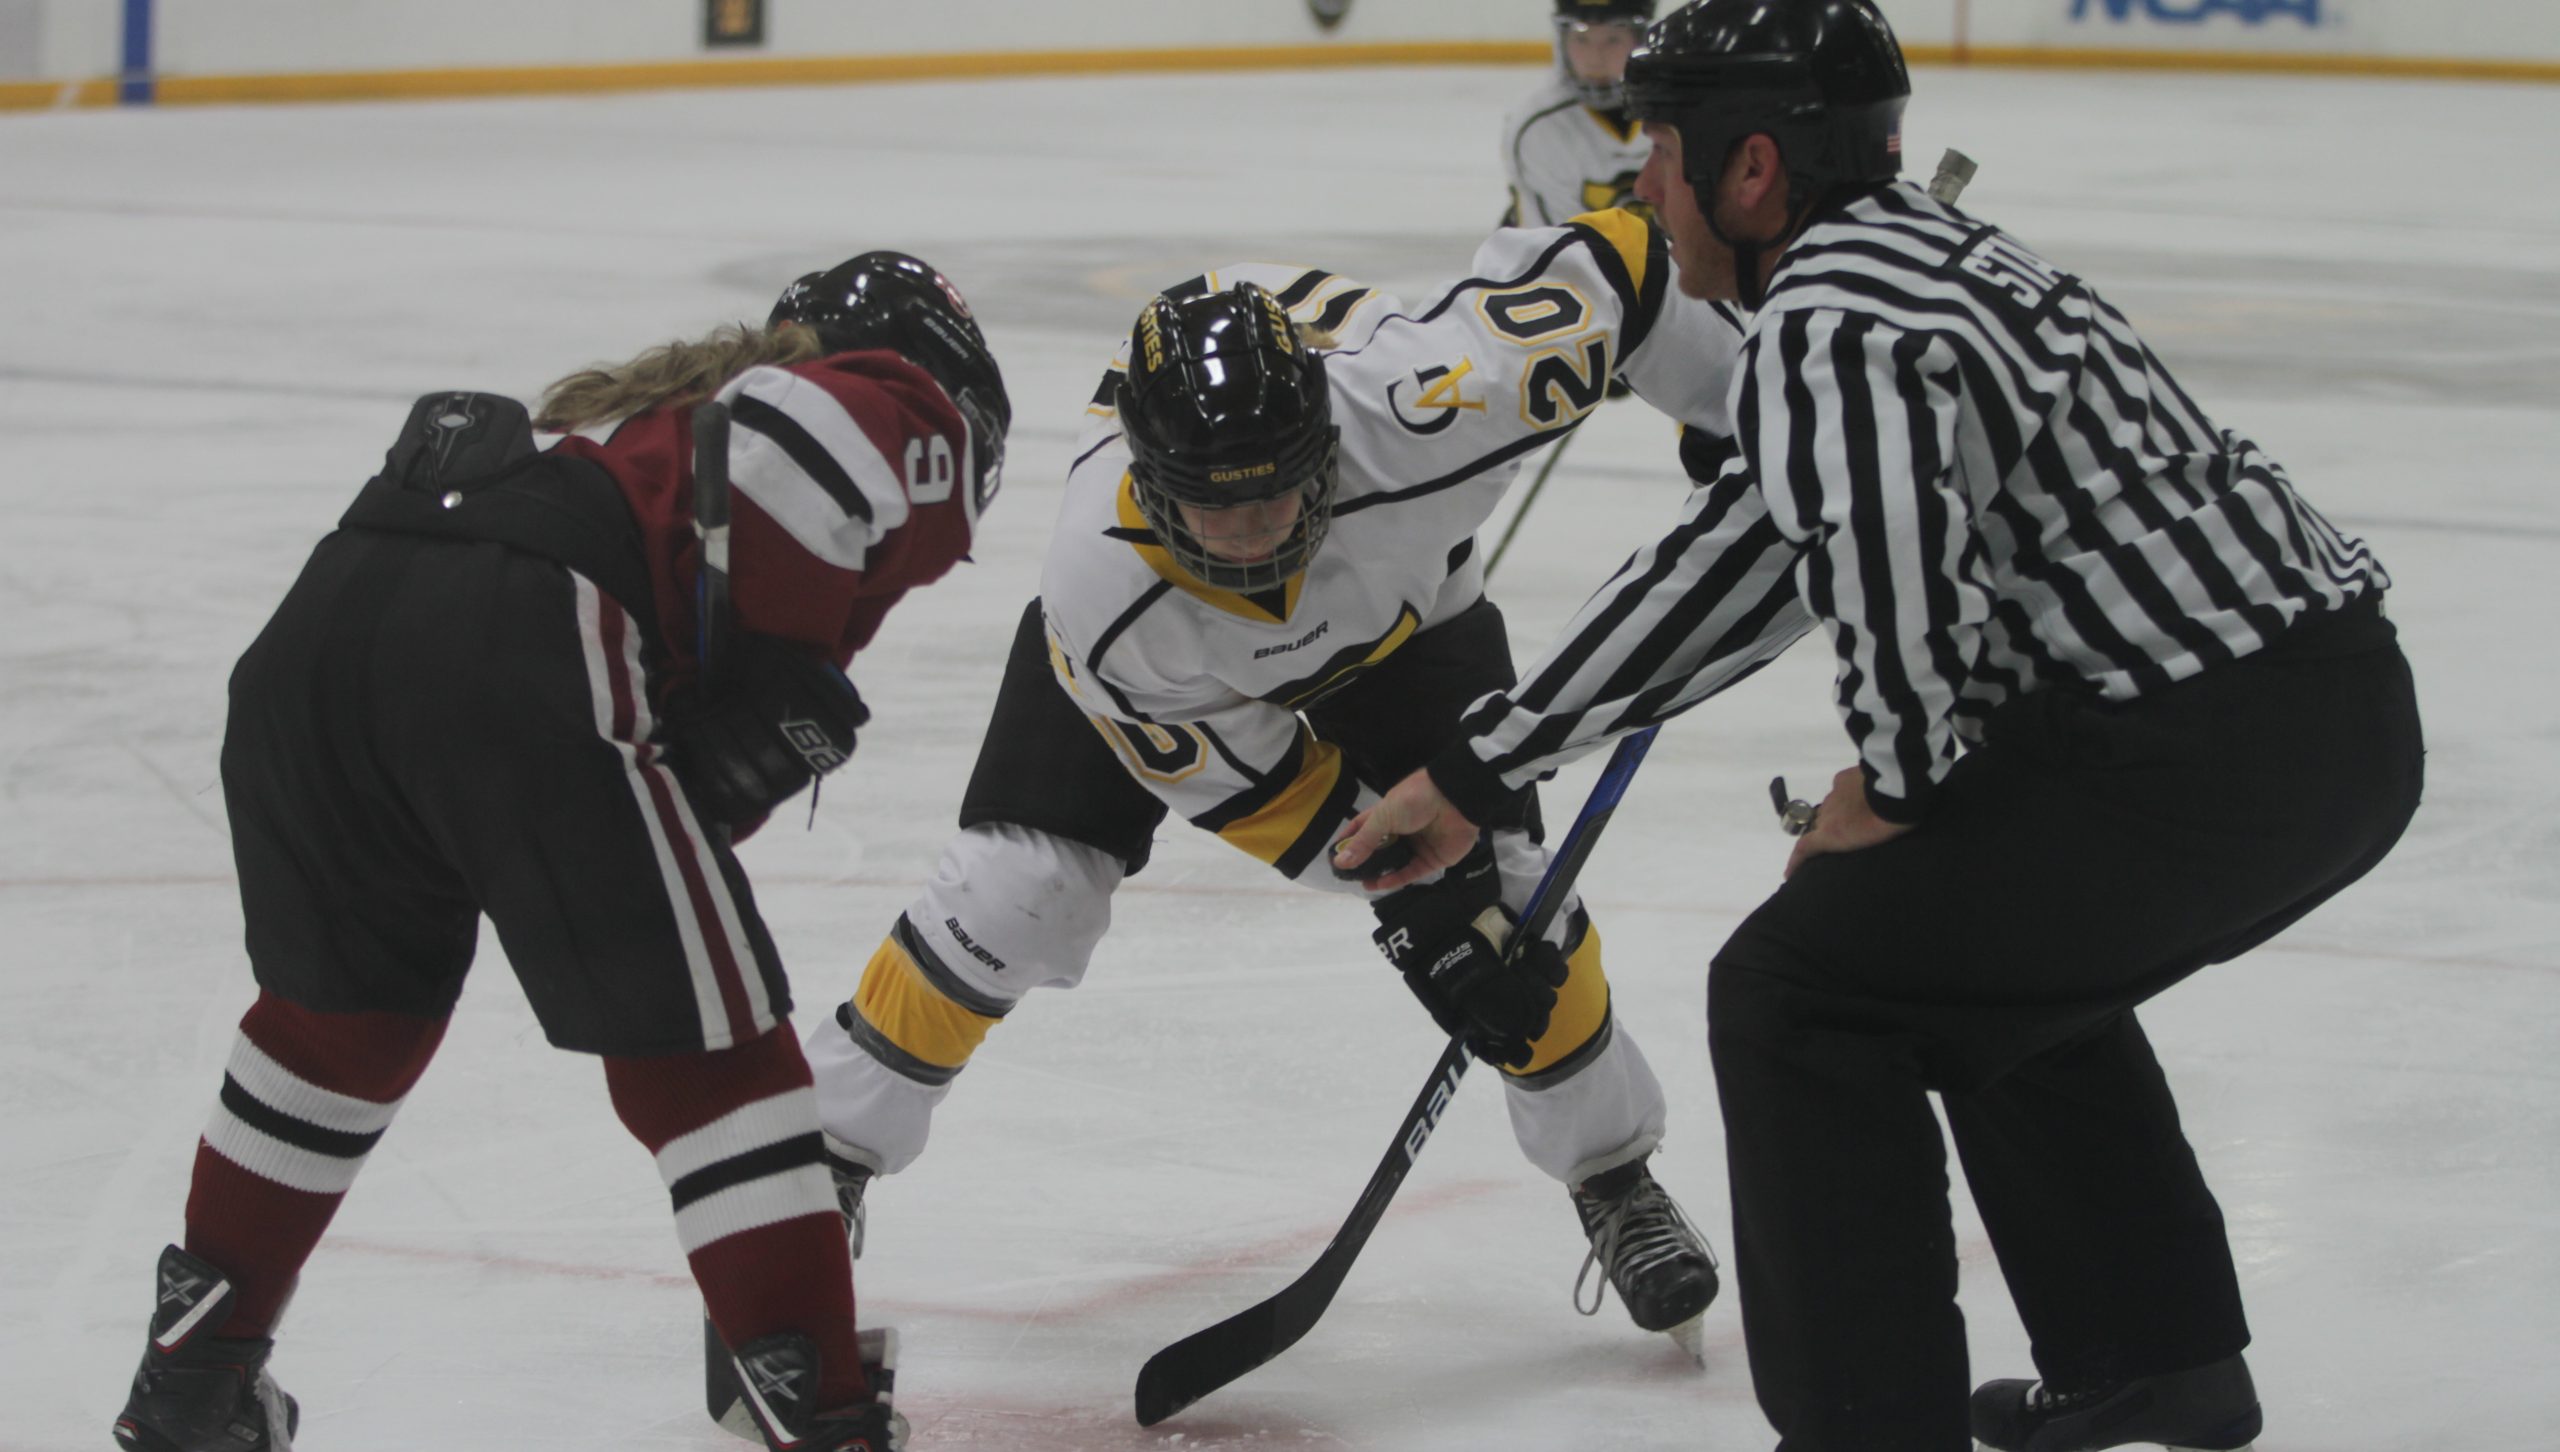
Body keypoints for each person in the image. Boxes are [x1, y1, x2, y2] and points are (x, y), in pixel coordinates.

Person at [1334, 4, 2426, 1451]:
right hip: (2318, 715)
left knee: (1806, 991)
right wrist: (1482, 766)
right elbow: (1752, 554)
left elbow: (1893, 582)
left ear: (1755, 167)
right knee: (1970, 954)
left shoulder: (1835, 318)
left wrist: (1900, 786)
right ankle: (2156, 1358)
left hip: (2210, 747)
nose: (1640, 185)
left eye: (1664, 150)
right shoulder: (1907, 262)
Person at [705, 217, 1751, 1427]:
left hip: (1406, 625)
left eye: (1278, 497)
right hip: (1167, 676)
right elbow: (1274, 797)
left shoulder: (1431, 411)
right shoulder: (1104, 593)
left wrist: (1731, 399)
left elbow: (1618, 263)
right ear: (1152, 486)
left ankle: (1612, 1176)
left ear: (1329, 449)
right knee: (1016, 894)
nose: (1254, 537)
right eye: (1216, 508)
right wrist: (1412, 901)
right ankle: (823, 1159)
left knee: (1516, 914)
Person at [110, 252, 1011, 1452]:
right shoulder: (894, 395)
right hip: (516, 629)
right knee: (713, 1056)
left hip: (325, 633)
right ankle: (824, 1418)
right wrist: (785, 662)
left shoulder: (653, 440)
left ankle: (193, 1382)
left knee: (337, 1029)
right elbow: (810, 442)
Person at [1502, 0, 1657, 228]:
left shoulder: (1678, 113)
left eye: (1613, 39)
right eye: (1581, 38)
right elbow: (1559, 249)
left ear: (1639, 40)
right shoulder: (1539, 129)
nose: (1595, 58)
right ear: (1562, 40)